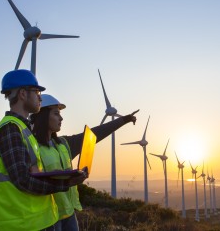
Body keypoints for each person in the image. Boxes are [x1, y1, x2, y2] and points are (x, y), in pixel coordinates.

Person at [0, 69, 87, 231]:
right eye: (36, 91)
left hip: (38, 220)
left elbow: (33, 172)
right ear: (23, 94)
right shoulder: (10, 129)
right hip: (22, 223)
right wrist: (65, 183)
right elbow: (23, 179)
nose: (40, 97)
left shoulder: (23, 128)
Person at [30, 94, 139, 231]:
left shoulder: (64, 143)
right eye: (56, 113)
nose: (61, 118)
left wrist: (123, 120)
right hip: (49, 217)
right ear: (43, 116)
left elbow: (94, 135)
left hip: (69, 214)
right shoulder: (32, 147)